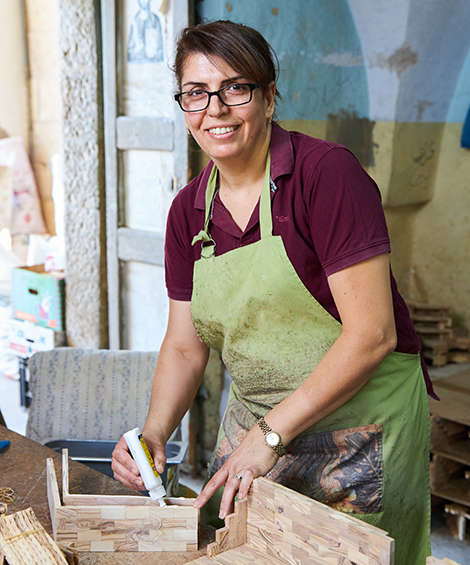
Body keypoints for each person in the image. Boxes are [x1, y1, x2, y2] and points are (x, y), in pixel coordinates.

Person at [112, 20, 433, 564]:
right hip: (255, 426)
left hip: (357, 431)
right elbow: (186, 345)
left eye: (236, 88)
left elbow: (372, 334)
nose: (215, 109)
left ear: (268, 96)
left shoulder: (325, 176)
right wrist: (154, 433)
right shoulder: (188, 210)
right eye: (196, 93)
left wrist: (270, 437)